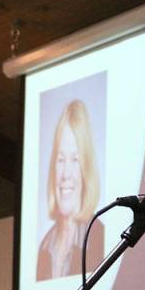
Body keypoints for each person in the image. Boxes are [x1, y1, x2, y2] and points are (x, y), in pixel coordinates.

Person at [37, 99, 104, 280]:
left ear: (86, 169)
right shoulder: (45, 246)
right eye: (60, 160)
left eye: (75, 160)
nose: (66, 173)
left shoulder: (100, 238)